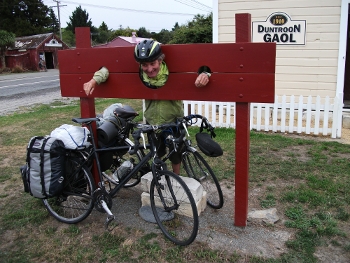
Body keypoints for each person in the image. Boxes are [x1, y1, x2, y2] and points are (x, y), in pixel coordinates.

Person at [83, 40, 210, 174]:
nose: (149, 69)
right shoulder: (140, 74)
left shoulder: (172, 71)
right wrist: (94, 80)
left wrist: (205, 74)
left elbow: (206, 69)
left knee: (175, 154)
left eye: (153, 63)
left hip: (173, 119)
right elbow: (106, 69)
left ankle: (175, 179)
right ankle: (159, 179)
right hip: (152, 121)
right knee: (157, 152)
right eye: (144, 65)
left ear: (160, 61)